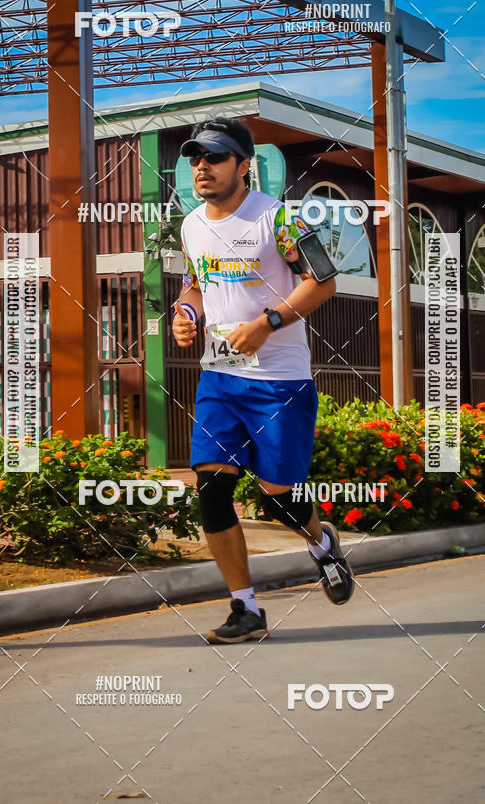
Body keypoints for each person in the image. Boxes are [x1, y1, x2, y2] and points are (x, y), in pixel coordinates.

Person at [172, 117, 354, 644]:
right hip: (219, 378)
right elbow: (194, 286)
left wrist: (268, 322)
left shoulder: (280, 219)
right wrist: (186, 316)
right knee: (210, 489)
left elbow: (324, 281)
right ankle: (245, 608)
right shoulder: (190, 225)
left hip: (279, 380)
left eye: (215, 157)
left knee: (277, 500)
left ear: (244, 164)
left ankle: (321, 543)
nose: (202, 167)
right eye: (195, 158)